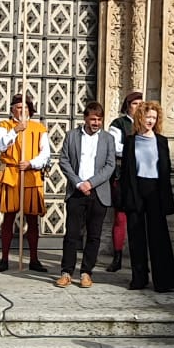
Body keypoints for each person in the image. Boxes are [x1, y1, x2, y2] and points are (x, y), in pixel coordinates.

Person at [56, 101, 117, 287]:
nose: (96, 123)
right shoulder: (72, 136)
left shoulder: (108, 139)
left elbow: (110, 165)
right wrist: (79, 182)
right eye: (93, 119)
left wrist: (91, 182)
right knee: (72, 234)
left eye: (99, 119)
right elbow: (64, 161)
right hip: (76, 191)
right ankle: (67, 272)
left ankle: (86, 272)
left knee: (94, 235)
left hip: (98, 192)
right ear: (85, 118)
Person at [120, 99, 174, 293]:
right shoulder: (130, 141)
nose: (151, 120)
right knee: (136, 236)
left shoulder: (161, 141)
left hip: (156, 190)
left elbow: (166, 169)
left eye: (154, 117)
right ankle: (139, 278)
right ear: (140, 117)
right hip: (136, 188)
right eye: (148, 116)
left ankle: (164, 281)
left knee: (159, 236)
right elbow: (126, 171)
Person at [0, 92, 51, 272]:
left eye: (25, 108)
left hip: (30, 175)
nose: (21, 111)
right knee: (8, 217)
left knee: (32, 219)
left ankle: (34, 258)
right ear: (12, 110)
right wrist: (15, 131)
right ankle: (4, 259)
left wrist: (32, 163)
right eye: (18, 108)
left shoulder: (39, 128)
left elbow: (45, 153)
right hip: (10, 174)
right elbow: (1, 144)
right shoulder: (4, 126)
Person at [106, 91, 140, 272]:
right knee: (120, 218)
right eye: (135, 104)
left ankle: (139, 258)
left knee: (140, 218)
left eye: (140, 104)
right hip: (123, 175)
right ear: (128, 106)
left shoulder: (146, 124)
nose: (138, 107)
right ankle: (117, 257)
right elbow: (115, 147)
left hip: (141, 176)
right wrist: (135, 147)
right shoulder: (118, 124)